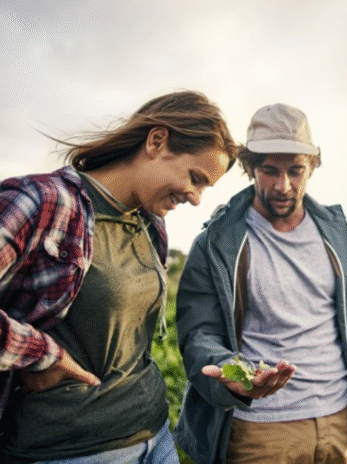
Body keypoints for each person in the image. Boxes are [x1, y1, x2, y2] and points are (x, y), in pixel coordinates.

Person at [0, 90, 239, 464]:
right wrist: (40, 355)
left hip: (154, 437)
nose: (195, 197)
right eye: (195, 178)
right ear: (156, 141)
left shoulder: (152, 226)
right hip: (66, 451)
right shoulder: (42, 201)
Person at [174, 103, 347, 464]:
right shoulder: (216, 243)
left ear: (313, 167)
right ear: (248, 168)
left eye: (296, 171)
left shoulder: (344, 238)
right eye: (269, 171)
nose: (283, 186)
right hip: (259, 431)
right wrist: (231, 373)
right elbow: (198, 334)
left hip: (343, 422)